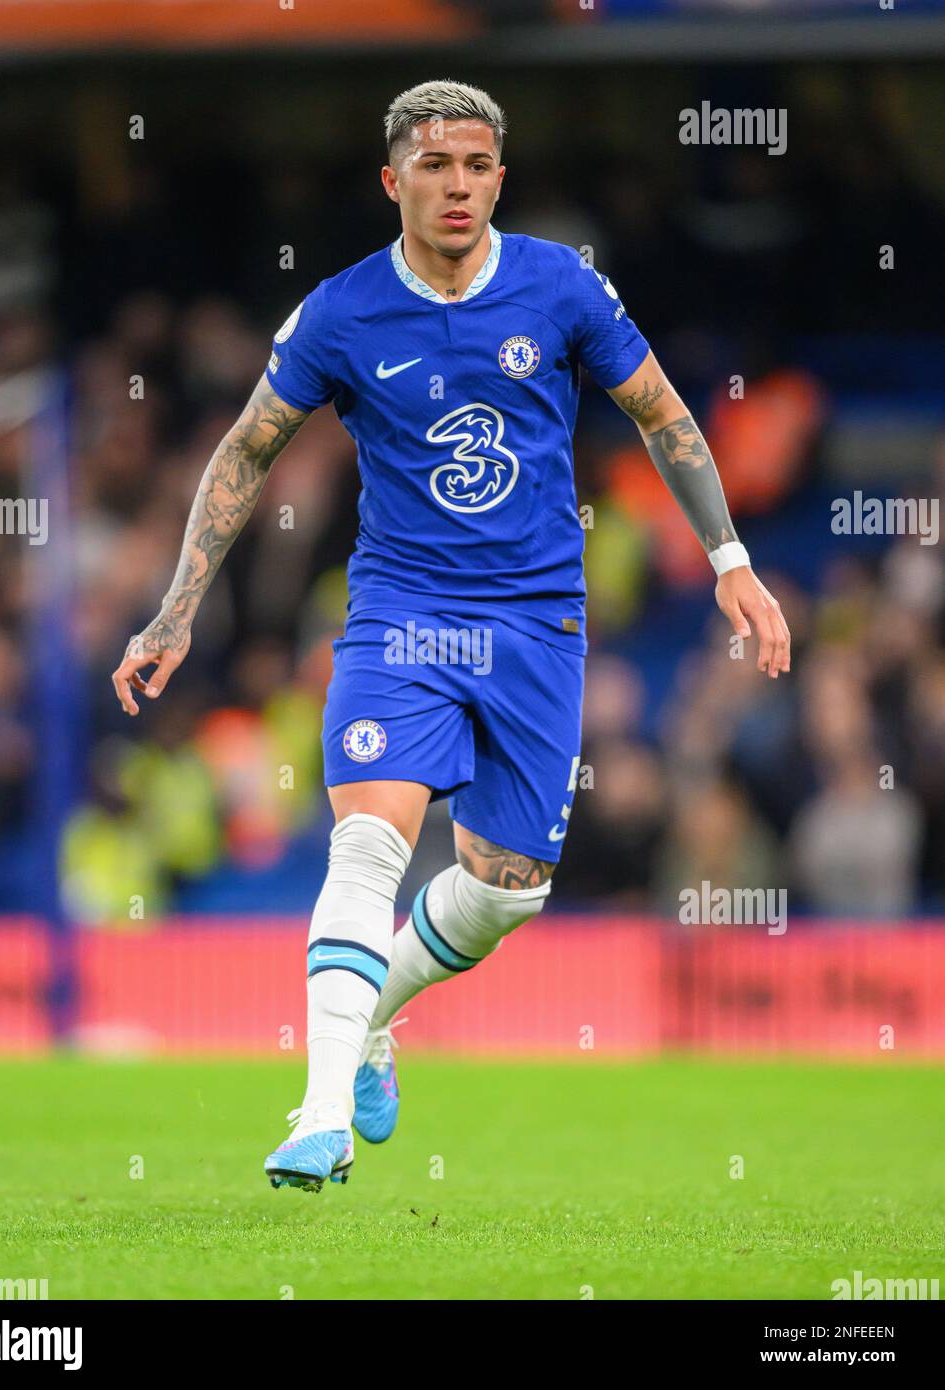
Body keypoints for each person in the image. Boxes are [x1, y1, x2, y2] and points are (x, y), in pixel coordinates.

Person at [111, 79, 791, 1193]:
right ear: (395, 181)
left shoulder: (561, 287)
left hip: (537, 619)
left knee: (508, 886)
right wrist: (180, 604)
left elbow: (664, 413)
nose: (458, 184)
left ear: (500, 179)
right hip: (400, 614)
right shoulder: (340, 312)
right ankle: (317, 1112)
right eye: (435, 166)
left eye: (477, 165)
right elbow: (243, 452)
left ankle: (372, 1019)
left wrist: (731, 565)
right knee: (367, 844)